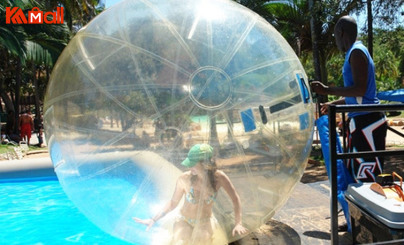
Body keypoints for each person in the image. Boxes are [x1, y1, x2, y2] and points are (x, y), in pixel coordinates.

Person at [311, 16, 387, 183]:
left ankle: (364, 209)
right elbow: (358, 96)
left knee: (367, 178)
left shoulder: (356, 52)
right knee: (358, 173)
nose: (336, 41)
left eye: (335, 36)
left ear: (341, 32)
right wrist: (333, 103)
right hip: (362, 119)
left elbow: (360, 89)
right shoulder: (355, 51)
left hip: (367, 122)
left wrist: (326, 89)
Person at [133, 144, 248, 245]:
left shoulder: (219, 178)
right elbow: (173, 203)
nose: (189, 166)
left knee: (202, 241)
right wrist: (153, 219)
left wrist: (238, 223)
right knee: (181, 242)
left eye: (193, 164)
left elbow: (235, 199)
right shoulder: (185, 179)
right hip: (184, 220)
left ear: (205, 164)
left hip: (205, 220)